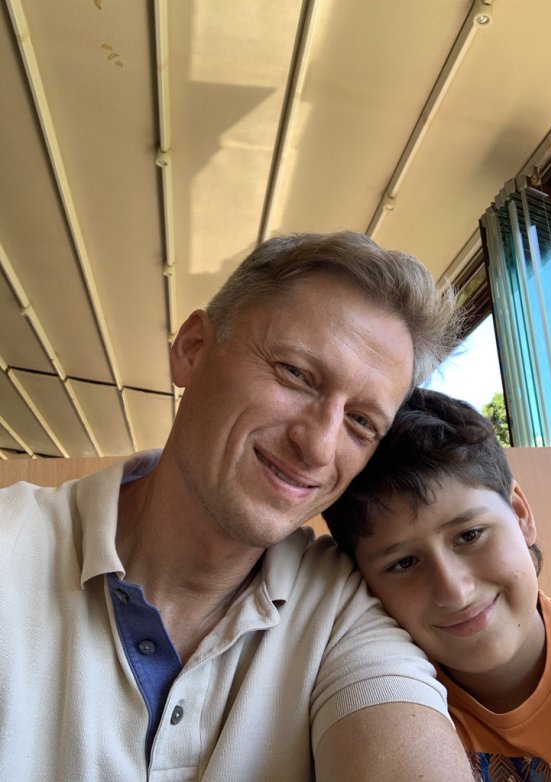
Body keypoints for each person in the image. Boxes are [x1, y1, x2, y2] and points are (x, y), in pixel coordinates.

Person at [0, 232, 475, 781]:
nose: (319, 448)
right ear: (193, 349)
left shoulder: (341, 612)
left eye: (361, 421)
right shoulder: (11, 544)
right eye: (296, 374)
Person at [324, 387, 551, 781]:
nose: (454, 592)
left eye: (469, 535)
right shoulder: (391, 706)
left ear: (520, 514)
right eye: (403, 563)